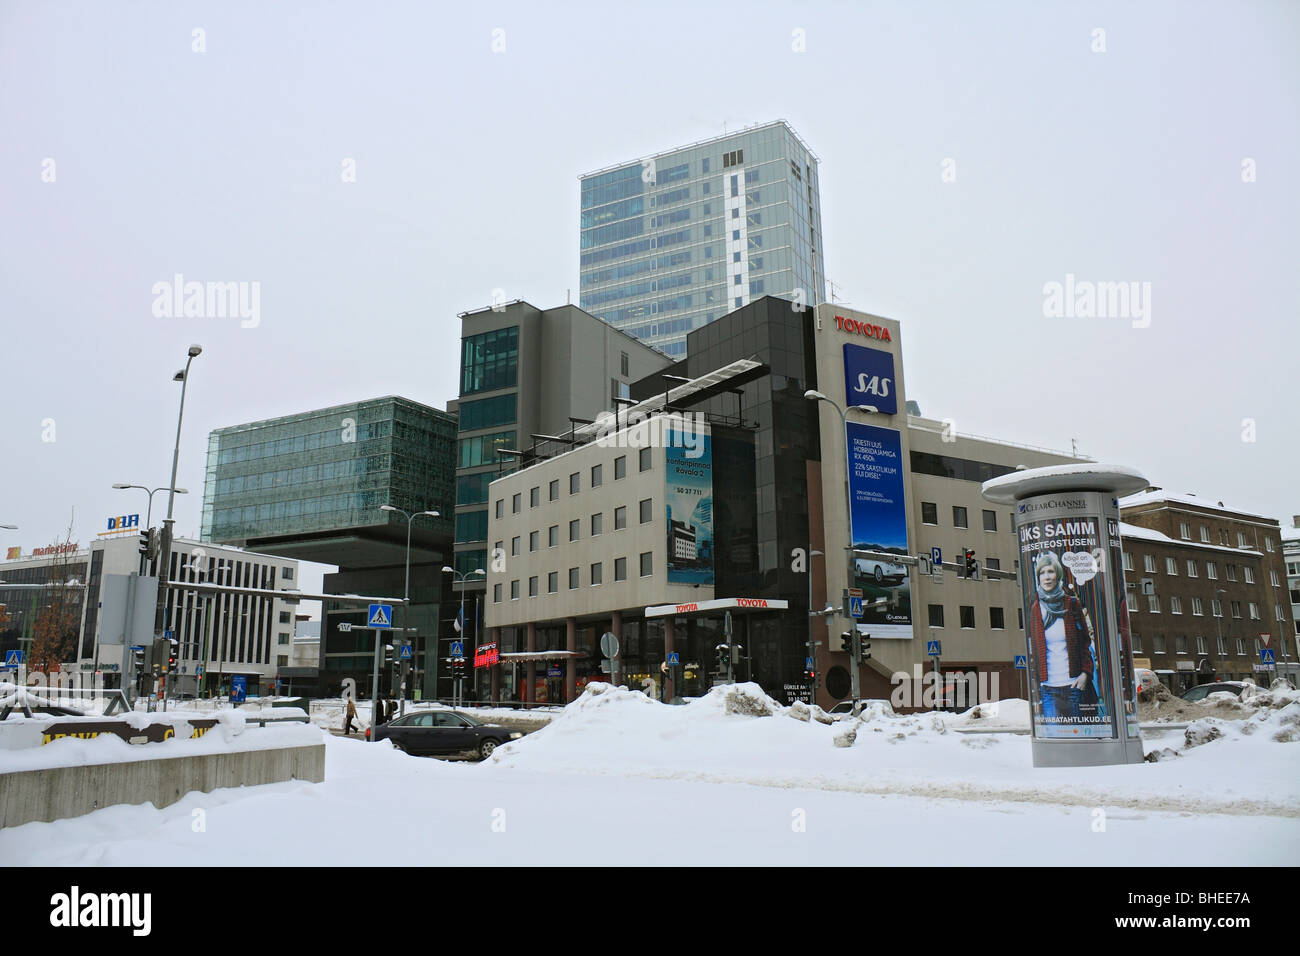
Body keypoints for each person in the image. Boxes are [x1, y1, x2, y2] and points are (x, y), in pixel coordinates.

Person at [1028, 552, 1095, 723]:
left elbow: (1085, 644)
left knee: (1079, 735)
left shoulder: (1071, 604)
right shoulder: (1036, 609)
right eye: (1042, 573)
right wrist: (1037, 683)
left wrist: (1086, 673)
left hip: (1073, 685)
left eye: (1050, 572)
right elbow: (1035, 650)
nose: (1046, 577)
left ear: (1057, 574)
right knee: (1054, 734)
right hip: (1048, 688)